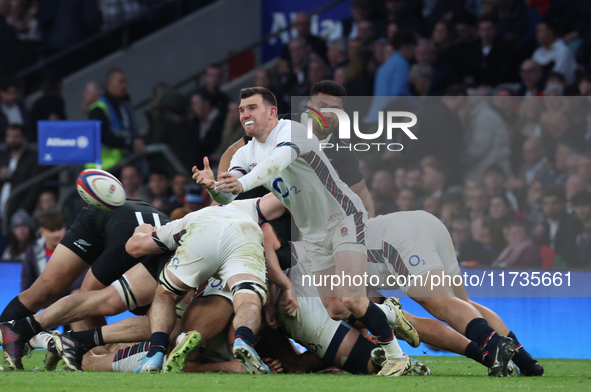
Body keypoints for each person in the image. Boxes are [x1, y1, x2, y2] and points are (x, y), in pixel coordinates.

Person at [194, 86, 415, 377]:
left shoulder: (292, 132)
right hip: (313, 234)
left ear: (271, 112)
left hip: (343, 217)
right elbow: (228, 195)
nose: (244, 113)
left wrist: (241, 184)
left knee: (351, 298)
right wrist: (214, 187)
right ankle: (390, 313)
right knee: (336, 309)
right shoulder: (247, 152)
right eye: (241, 109)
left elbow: (273, 167)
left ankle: (397, 358)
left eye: (252, 107)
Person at [0, 199, 170, 369]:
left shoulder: (175, 276)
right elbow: (86, 294)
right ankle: (21, 332)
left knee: (156, 321)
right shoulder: (126, 253)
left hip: (142, 227)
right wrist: (109, 345)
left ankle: (31, 334)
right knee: (47, 290)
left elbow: (157, 325)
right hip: (106, 221)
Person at [124, 198, 282, 374]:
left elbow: (134, 247)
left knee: (165, 295)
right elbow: (283, 197)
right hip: (243, 234)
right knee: (248, 300)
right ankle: (243, 339)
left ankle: (156, 352)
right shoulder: (249, 205)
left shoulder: (187, 219)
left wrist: (141, 230)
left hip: (202, 232)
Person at [87, 68, 145, 169]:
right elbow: (102, 136)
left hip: (125, 161)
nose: (125, 86)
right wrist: (128, 143)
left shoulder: (124, 105)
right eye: (121, 82)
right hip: (106, 166)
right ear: (110, 83)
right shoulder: (98, 108)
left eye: (125, 82)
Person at [0, 124, 41, 221]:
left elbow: (35, 187)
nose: (12, 140)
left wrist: (22, 209)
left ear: (24, 138)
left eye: (16, 137)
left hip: (20, 209)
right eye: (9, 136)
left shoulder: (32, 159)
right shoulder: (2, 157)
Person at [534, 186, 582, 267]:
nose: (550, 207)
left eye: (553, 203)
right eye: (546, 204)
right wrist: (537, 237)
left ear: (562, 204)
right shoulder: (543, 226)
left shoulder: (573, 224)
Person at [532, 20, 577, 84]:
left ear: (550, 32)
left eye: (540, 32)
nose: (537, 35)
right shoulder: (538, 52)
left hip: (559, 88)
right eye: (537, 32)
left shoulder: (563, 50)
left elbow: (557, 77)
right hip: (539, 86)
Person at [572, 190, 591, 268]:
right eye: (577, 206)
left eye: (584, 205)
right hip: (577, 272)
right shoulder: (573, 229)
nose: (580, 210)